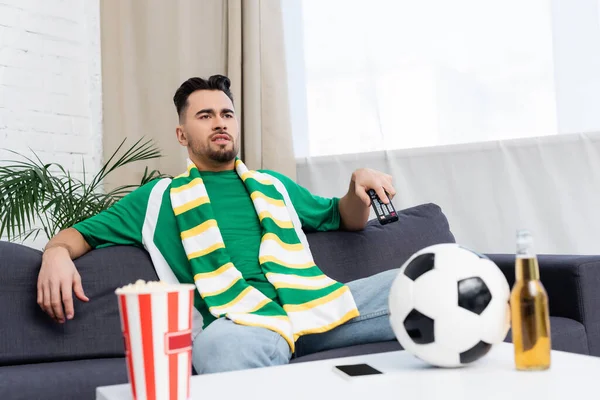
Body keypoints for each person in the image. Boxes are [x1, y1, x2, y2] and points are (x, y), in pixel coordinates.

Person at [37, 75, 399, 374]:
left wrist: (358, 185)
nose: (220, 121)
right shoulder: (157, 198)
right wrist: (55, 254)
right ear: (182, 134)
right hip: (242, 325)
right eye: (205, 115)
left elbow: (343, 217)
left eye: (226, 113)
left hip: (312, 309)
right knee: (220, 352)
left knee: (440, 272)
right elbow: (80, 234)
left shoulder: (273, 185)